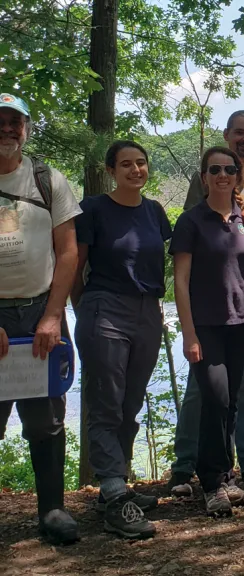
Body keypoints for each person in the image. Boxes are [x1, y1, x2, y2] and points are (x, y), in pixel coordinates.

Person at [169, 110, 244, 495]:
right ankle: (185, 467)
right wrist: (189, 329)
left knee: (243, 390)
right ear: (227, 135)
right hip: (208, 311)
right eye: (239, 133)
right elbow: (190, 245)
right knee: (203, 392)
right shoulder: (200, 194)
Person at [71, 141, 170, 539]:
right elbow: (75, 266)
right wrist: (85, 311)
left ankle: (117, 484)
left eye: (141, 163)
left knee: (130, 403)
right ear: (111, 170)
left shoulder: (154, 211)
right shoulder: (93, 209)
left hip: (147, 311)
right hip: (104, 308)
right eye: (126, 164)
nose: (135, 169)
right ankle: (114, 493)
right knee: (106, 402)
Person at [0, 93, 80, 544]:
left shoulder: (49, 180)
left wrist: (53, 315)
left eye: (15, 122)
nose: (7, 129)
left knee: (46, 416)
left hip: (40, 312)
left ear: (27, 129)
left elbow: (68, 252)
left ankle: (52, 510)